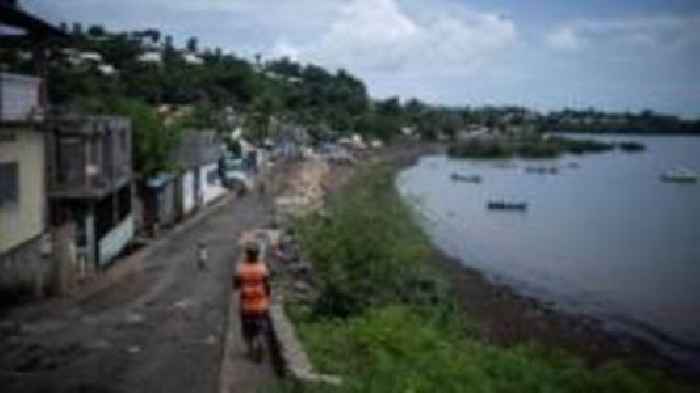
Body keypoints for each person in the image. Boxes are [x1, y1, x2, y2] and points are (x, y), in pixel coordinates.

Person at [233, 240, 272, 359]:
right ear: (258, 254)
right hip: (261, 304)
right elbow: (267, 286)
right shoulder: (263, 268)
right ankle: (260, 340)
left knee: (246, 328)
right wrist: (268, 297)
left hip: (246, 305)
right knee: (261, 325)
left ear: (247, 254)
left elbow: (236, 286)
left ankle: (250, 349)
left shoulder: (241, 268)